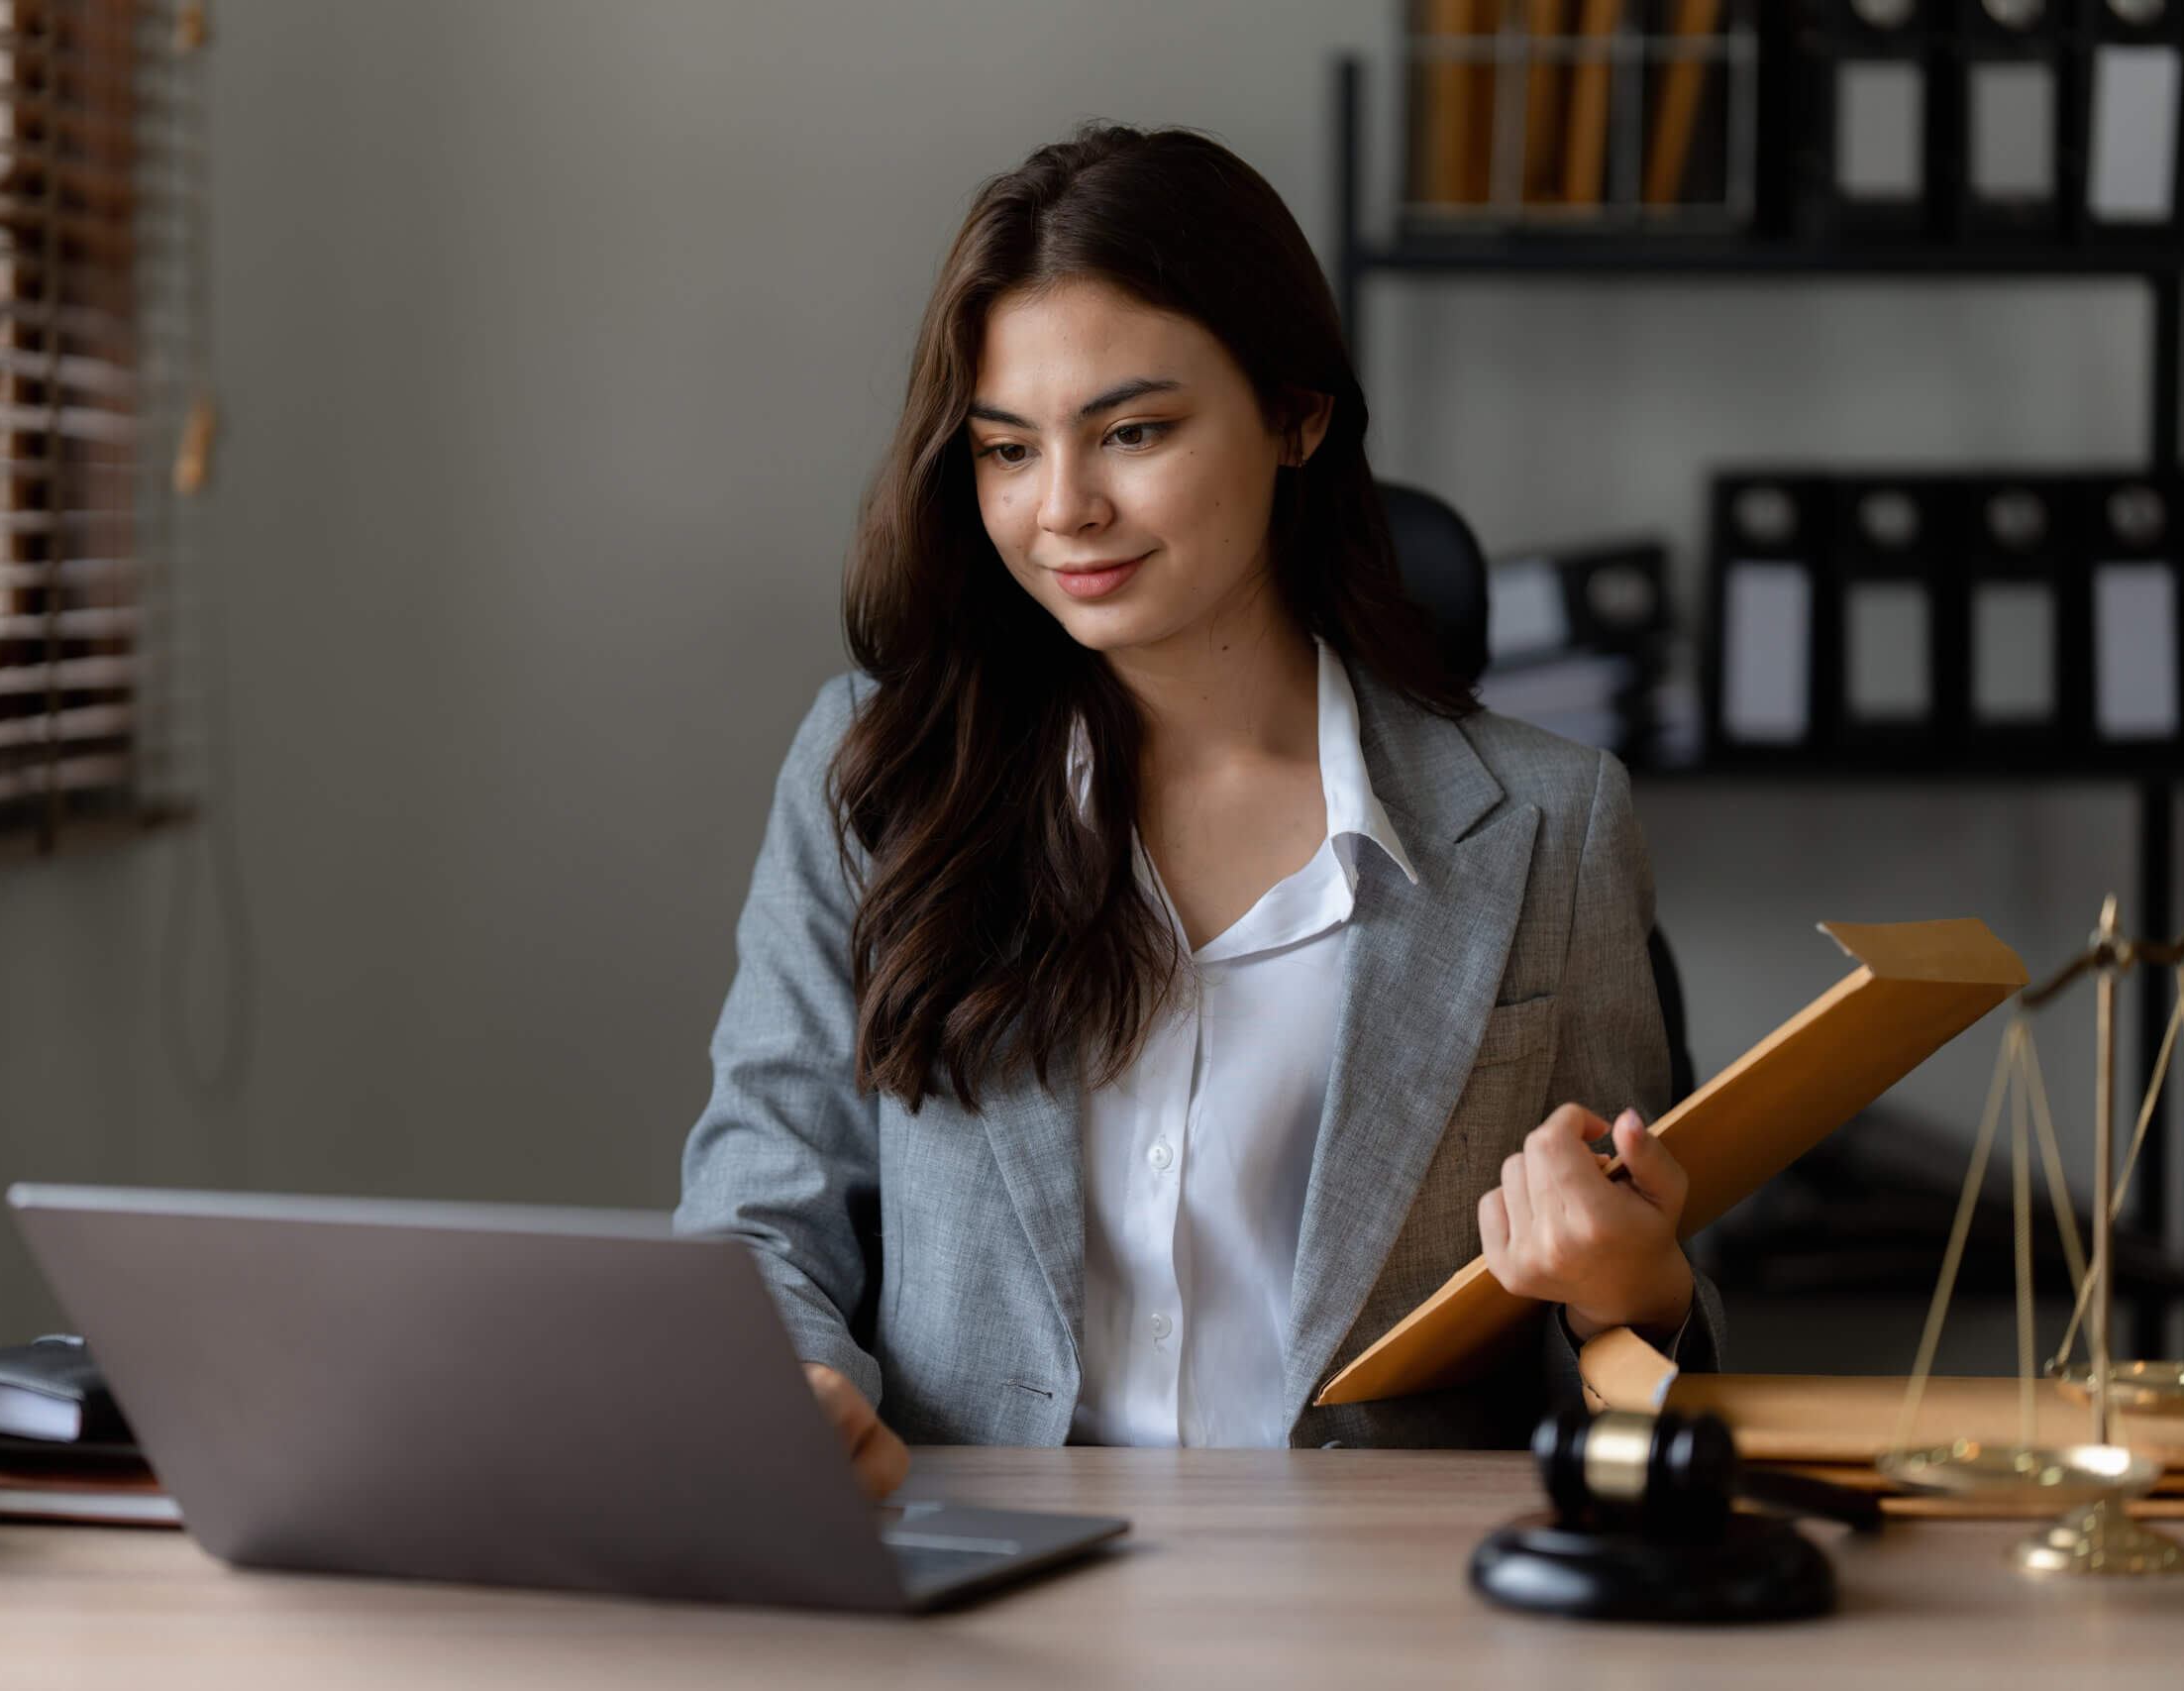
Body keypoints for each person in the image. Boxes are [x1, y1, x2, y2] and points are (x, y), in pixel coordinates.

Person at [675, 123, 1718, 1499]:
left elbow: (1644, 1362)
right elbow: (761, 1216)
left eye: (1133, 432)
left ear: (1298, 415)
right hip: (976, 1570)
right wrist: (793, 1392)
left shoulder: (1550, 825)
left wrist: (1628, 1294)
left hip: (1379, 1607)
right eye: (1004, 449)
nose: (1063, 511)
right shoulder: (874, 777)